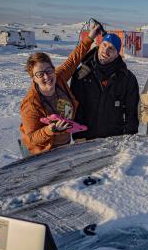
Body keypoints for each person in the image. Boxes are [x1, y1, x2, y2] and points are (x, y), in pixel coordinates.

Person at [19, 23, 100, 155]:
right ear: (33, 78)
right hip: (43, 153)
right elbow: (31, 138)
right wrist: (50, 130)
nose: (46, 76)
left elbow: (73, 60)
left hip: (64, 146)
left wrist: (90, 36)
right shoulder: (31, 104)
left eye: (49, 70)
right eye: (40, 74)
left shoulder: (58, 78)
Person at [71, 33, 139, 140]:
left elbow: (132, 114)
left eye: (111, 48)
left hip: (115, 142)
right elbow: (76, 109)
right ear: (99, 45)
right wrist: (78, 136)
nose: (106, 51)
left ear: (117, 54)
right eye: (104, 45)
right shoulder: (82, 74)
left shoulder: (127, 79)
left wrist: (128, 139)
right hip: (86, 140)